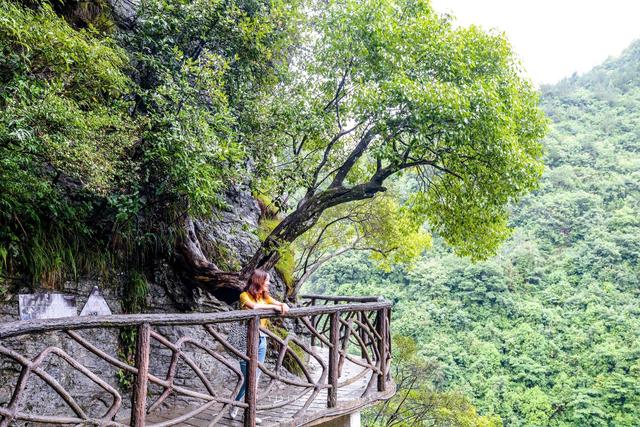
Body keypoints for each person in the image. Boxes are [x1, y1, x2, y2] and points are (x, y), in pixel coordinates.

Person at [230, 269, 289, 422]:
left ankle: (247, 410)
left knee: (255, 377)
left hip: (261, 339)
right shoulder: (244, 295)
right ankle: (238, 406)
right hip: (245, 339)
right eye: (267, 281)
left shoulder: (265, 297)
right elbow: (254, 308)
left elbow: (280, 304)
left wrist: (282, 305)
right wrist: (274, 308)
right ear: (258, 281)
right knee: (249, 377)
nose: (269, 283)